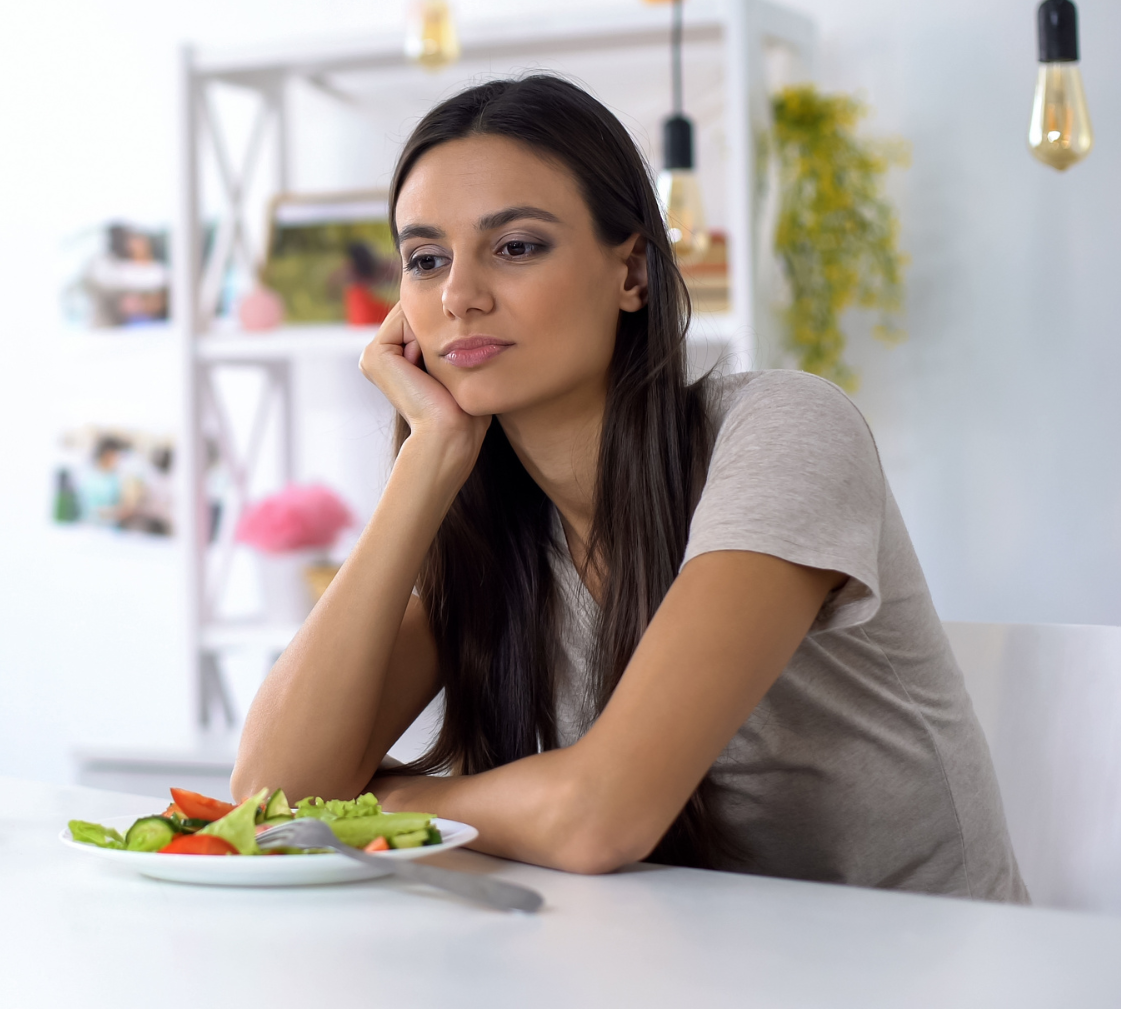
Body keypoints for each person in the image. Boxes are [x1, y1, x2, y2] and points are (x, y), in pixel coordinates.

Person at [231, 75, 1027, 902]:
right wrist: (423, 464)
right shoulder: (491, 528)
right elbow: (268, 800)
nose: (460, 297)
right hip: (686, 964)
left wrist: (384, 801)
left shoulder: (782, 432)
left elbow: (598, 816)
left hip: (928, 969)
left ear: (633, 273)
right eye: (425, 261)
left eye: (517, 247)